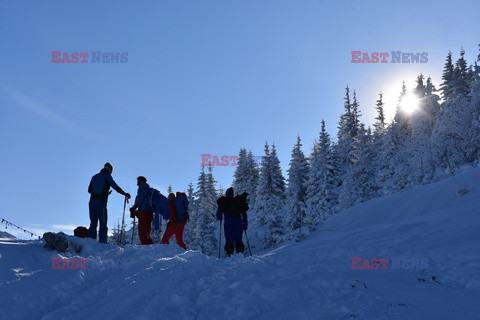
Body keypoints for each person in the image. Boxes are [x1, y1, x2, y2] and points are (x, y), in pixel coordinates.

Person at [88, 162, 130, 243]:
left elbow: (89, 190)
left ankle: (90, 243)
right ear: (110, 170)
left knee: (93, 223)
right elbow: (115, 187)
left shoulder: (94, 176)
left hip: (92, 201)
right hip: (101, 203)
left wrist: (102, 191)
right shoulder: (107, 176)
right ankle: (102, 244)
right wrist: (124, 193)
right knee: (103, 223)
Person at [216, 187, 248, 256]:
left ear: (226, 193)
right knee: (238, 239)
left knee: (229, 239)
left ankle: (229, 255)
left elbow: (218, 215)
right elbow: (244, 214)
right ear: (233, 194)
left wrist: (221, 217)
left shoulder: (223, 201)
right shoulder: (238, 201)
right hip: (239, 223)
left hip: (228, 223)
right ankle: (240, 255)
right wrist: (245, 224)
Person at [130, 176, 154, 245]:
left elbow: (140, 200)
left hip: (144, 212)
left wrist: (134, 207)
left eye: (138, 181)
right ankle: (151, 248)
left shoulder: (142, 188)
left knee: (142, 233)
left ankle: (147, 248)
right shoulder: (148, 189)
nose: (137, 183)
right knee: (147, 232)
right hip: (150, 212)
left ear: (141, 181)